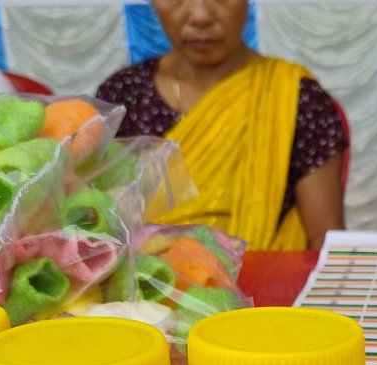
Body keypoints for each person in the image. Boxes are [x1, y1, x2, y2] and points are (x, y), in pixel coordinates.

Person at [96, 0, 347, 251]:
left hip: (263, 283)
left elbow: (325, 240)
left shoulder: (293, 97)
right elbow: (100, 229)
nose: (200, 16)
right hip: (149, 285)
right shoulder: (124, 98)